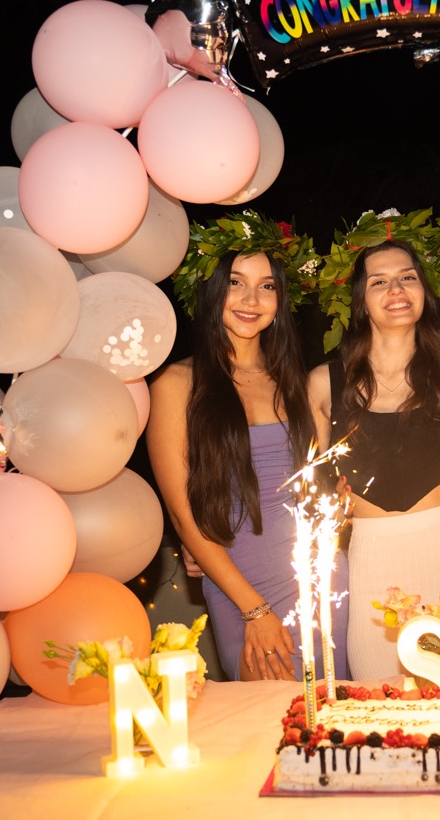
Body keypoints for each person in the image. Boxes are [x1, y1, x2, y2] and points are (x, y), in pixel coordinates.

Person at [147, 212, 348, 682]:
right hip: (241, 586)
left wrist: (338, 503)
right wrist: (254, 611)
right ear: (212, 290)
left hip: (321, 578)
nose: (251, 300)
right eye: (236, 282)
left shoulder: (295, 384)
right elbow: (184, 515)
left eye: (267, 286)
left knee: (334, 721)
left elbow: (316, 483)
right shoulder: (178, 383)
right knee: (266, 726)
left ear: (282, 299)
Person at [308, 219, 440, 682]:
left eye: (407, 277)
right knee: (377, 699)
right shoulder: (323, 384)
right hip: (372, 557)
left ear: (424, 290)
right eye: (378, 282)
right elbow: (310, 491)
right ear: (359, 300)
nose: (395, 289)